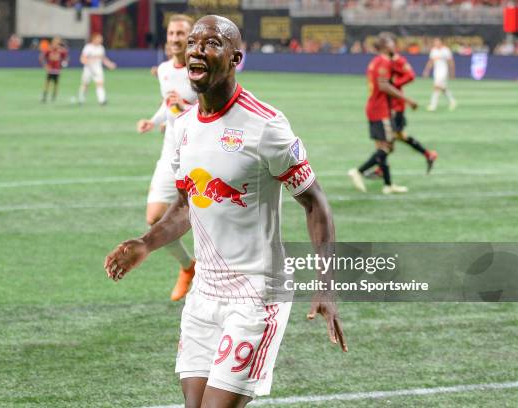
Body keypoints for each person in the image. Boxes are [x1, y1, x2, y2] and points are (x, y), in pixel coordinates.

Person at [104, 15, 346, 408]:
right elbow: (186, 206)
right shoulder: (182, 128)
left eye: (212, 43)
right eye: (194, 42)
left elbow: (315, 201)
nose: (197, 48)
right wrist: (147, 244)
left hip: (257, 291)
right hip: (205, 292)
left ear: (236, 59)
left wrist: (327, 283)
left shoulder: (266, 126)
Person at [136, 15, 198, 301]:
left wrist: (183, 106)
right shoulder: (163, 70)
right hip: (170, 153)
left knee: (210, 221)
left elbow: (209, 110)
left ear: (191, 38)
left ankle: (218, 280)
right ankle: (188, 266)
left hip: (200, 156)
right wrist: (154, 119)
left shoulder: (202, 69)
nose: (175, 38)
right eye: (172, 33)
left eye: (181, 33)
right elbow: (168, 101)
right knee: (154, 218)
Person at [348, 32, 418, 194]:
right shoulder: (384, 61)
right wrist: (407, 99)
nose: (395, 46)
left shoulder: (376, 61)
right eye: (392, 43)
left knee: (383, 146)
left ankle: (388, 185)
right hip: (380, 110)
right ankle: (358, 171)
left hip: (375, 107)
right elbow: (383, 85)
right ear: (386, 46)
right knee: (388, 146)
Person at [366, 46, 438, 178]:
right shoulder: (386, 60)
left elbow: (410, 75)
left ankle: (380, 169)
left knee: (387, 139)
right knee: (396, 136)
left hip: (395, 105)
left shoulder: (398, 60)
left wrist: (394, 84)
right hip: (389, 104)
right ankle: (428, 154)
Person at [78, 33, 116, 105]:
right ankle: (81, 99)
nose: (100, 40)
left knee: (100, 84)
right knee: (85, 84)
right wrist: (88, 61)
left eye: (101, 39)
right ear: (94, 39)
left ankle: (102, 100)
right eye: (99, 38)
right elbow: (82, 59)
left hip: (97, 69)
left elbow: (103, 58)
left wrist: (110, 64)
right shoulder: (88, 47)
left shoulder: (101, 48)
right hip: (88, 69)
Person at [423, 38, 457, 111]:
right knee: (443, 88)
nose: (436, 43)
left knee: (436, 87)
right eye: (435, 42)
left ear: (441, 42)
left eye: (437, 42)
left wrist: (452, 72)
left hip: (444, 71)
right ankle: (452, 101)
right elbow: (431, 61)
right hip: (436, 71)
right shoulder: (433, 50)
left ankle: (433, 105)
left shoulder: (446, 50)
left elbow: (451, 62)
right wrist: (427, 70)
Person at [39, 37, 69, 103]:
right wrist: (46, 66)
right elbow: (42, 57)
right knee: (47, 83)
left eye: (57, 42)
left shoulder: (61, 50)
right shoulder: (49, 49)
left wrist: (63, 64)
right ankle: (45, 95)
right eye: (55, 42)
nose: (56, 43)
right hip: (50, 69)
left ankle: (54, 95)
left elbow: (66, 58)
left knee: (56, 83)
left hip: (57, 70)